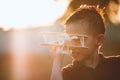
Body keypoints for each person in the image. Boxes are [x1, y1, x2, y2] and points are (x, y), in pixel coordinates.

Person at [61, 5, 120, 80]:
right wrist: (57, 59)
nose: (71, 45)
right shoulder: (68, 73)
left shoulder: (115, 65)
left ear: (99, 40)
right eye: (69, 39)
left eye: (78, 39)